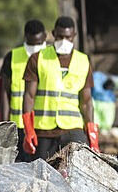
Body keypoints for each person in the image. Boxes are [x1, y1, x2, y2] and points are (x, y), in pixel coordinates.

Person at [22, 16, 100, 160]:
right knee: (43, 177)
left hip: (73, 131)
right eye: (60, 36)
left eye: (68, 37)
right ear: (53, 34)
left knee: (76, 176)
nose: (64, 41)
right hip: (44, 132)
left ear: (74, 36)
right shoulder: (37, 59)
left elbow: (87, 101)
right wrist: (28, 129)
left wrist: (92, 135)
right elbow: (29, 96)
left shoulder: (83, 61)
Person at [0, 19, 47, 161]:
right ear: (25, 37)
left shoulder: (52, 57)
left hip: (43, 127)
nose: (35, 47)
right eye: (32, 43)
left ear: (45, 37)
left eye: (38, 43)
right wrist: (4, 125)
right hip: (19, 127)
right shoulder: (12, 57)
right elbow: (5, 93)